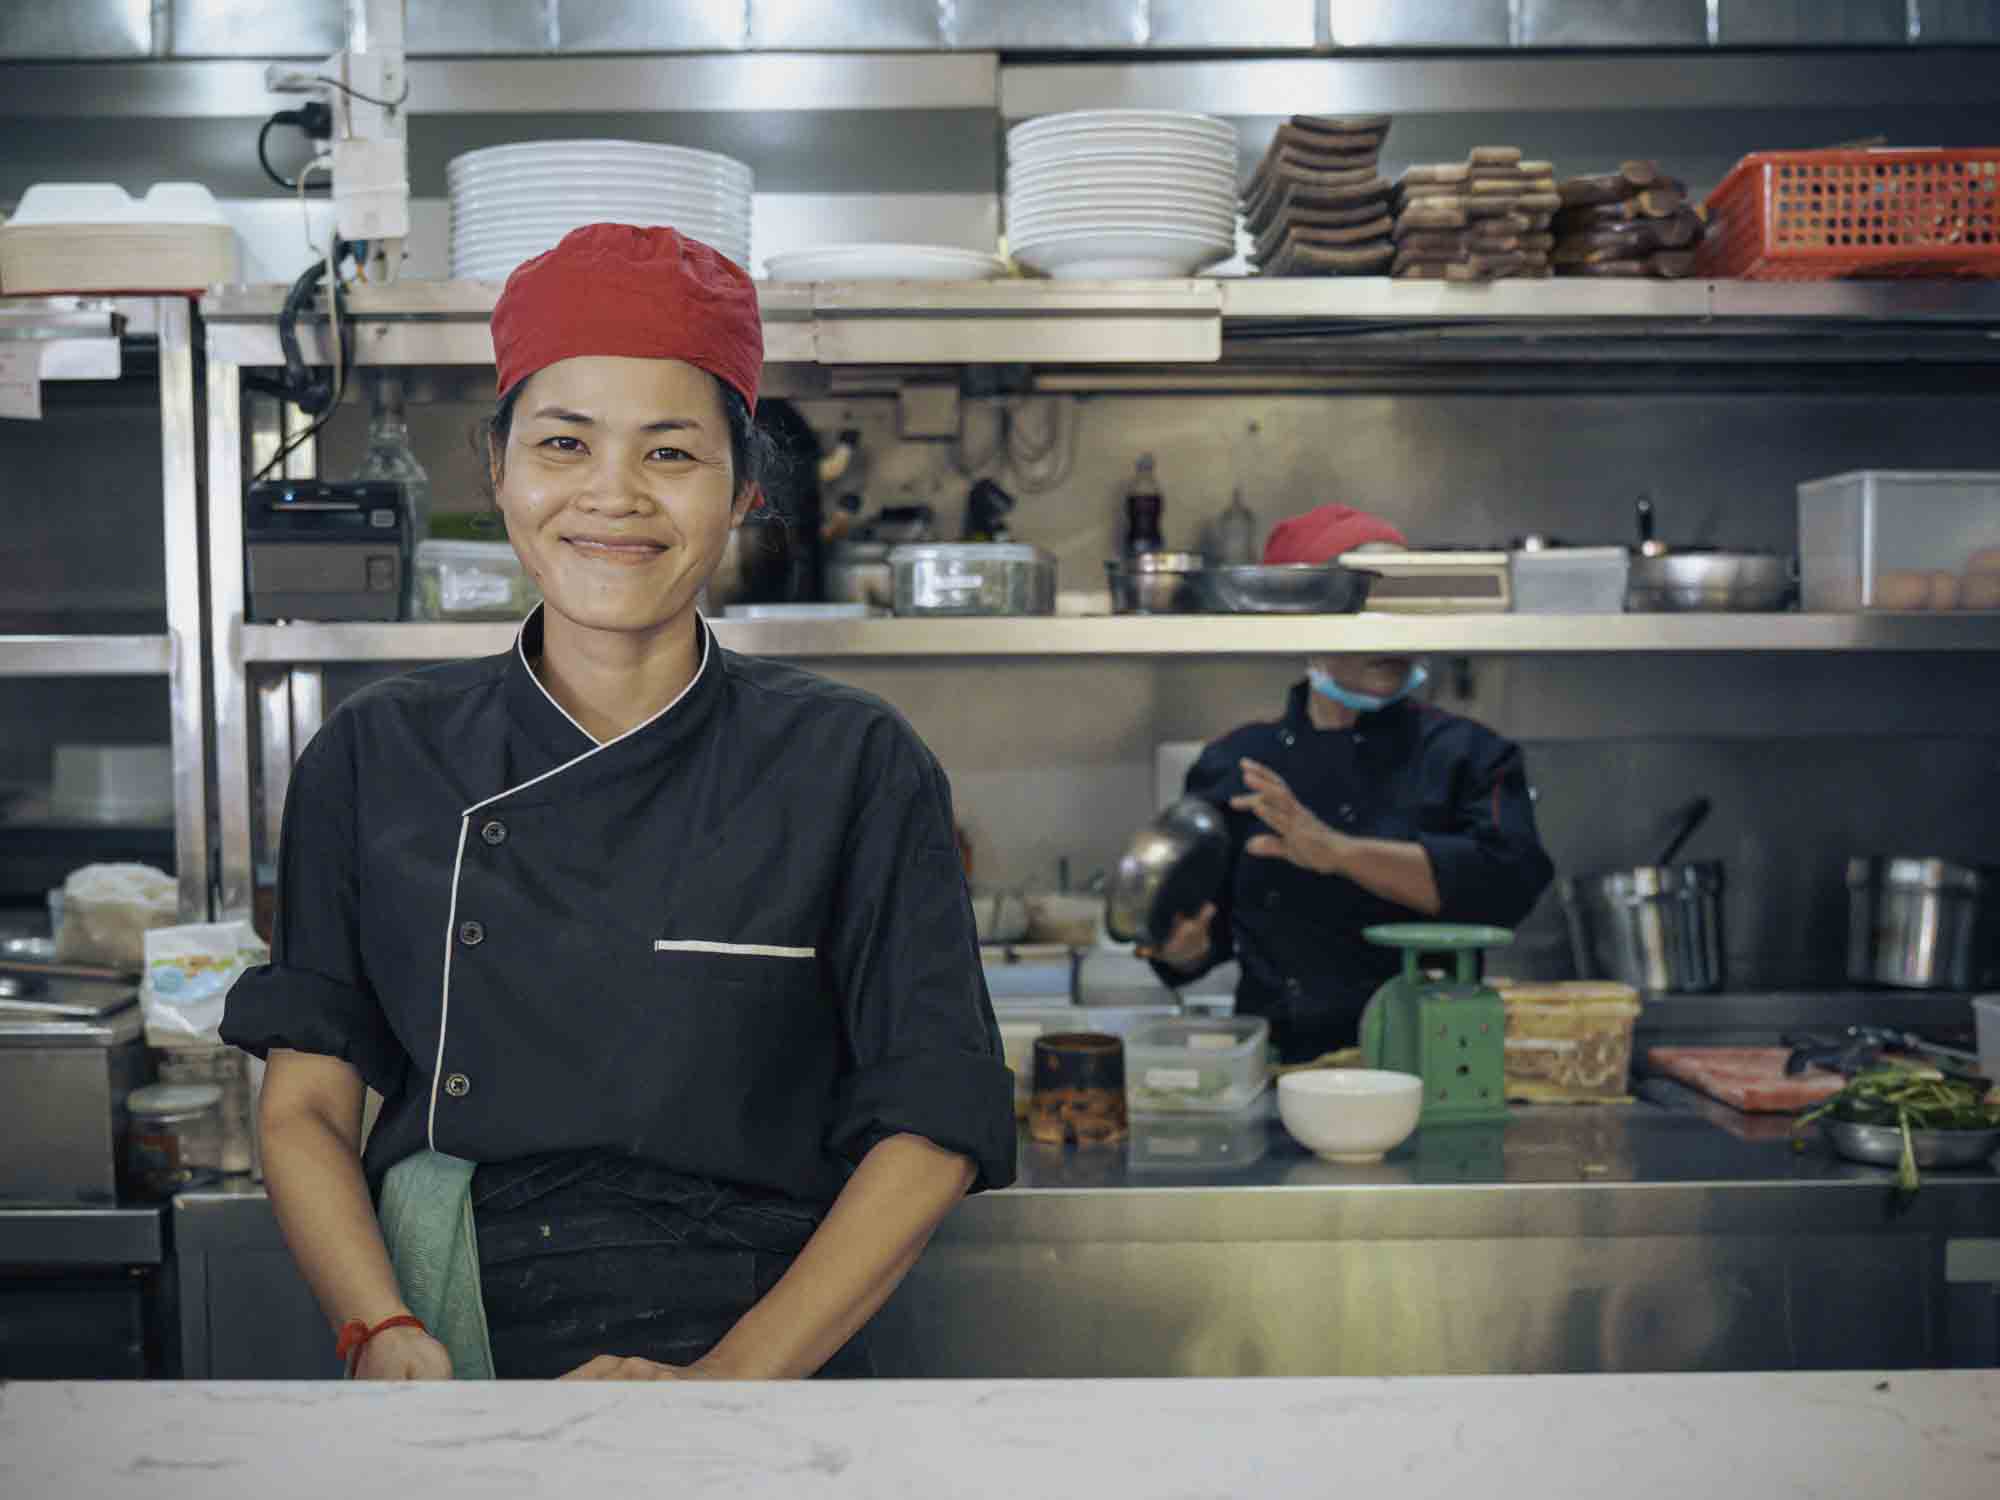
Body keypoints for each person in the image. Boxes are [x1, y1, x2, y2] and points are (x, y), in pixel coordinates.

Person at [222, 225, 1015, 1383]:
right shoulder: (375, 753)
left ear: (743, 488)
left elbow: (932, 1121)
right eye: (562, 442)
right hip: (449, 1335)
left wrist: (722, 1390)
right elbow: (304, 1106)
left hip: (767, 1346)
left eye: (670, 455)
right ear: (496, 468)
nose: (612, 497)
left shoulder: (850, 760)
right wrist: (378, 1328)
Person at [1142, 505, 1555, 1063]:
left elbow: (1506, 886)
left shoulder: (1471, 755)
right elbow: (1202, 936)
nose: (1386, 634)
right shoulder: (1237, 763)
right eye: (1360, 606)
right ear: (1302, 628)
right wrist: (1180, 950)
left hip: (1433, 1062)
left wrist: (1336, 852)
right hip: (1281, 1071)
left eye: (1399, 608)